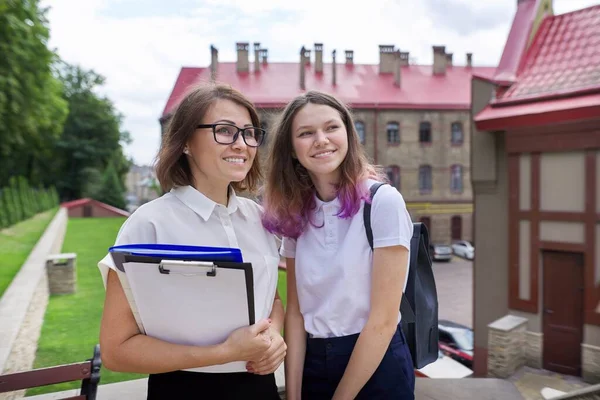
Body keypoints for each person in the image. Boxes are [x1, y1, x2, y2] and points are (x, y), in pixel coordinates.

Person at [97, 83, 285, 399]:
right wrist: (224, 352)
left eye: (249, 132)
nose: (241, 144)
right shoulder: (148, 224)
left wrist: (274, 335)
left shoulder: (260, 219)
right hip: (183, 390)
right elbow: (117, 350)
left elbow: (272, 300)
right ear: (185, 141)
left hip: (260, 388)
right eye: (225, 131)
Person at [261, 90, 415, 400]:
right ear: (292, 150)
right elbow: (296, 314)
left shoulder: (383, 202)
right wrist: (293, 394)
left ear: (348, 134)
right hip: (314, 363)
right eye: (306, 133)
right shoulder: (295, 213)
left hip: (377, 362)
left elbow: (382, 321)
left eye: (331, 127)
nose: (321, 139)